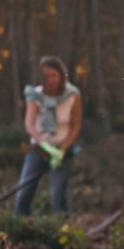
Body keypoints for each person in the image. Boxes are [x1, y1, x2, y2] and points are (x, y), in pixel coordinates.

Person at [14, 56, 82, 216]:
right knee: (24, 191)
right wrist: (44, 144)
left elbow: (75, 125)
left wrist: (62, 150)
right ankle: (19, 226)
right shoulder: (35, 95)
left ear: (61, 75)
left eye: (54, 76)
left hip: (63, 150)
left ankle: (62, 232)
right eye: (46, 76)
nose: (51, 80)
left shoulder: (72, 95)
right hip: (39, 149)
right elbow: (30, 125)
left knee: (58, 195)